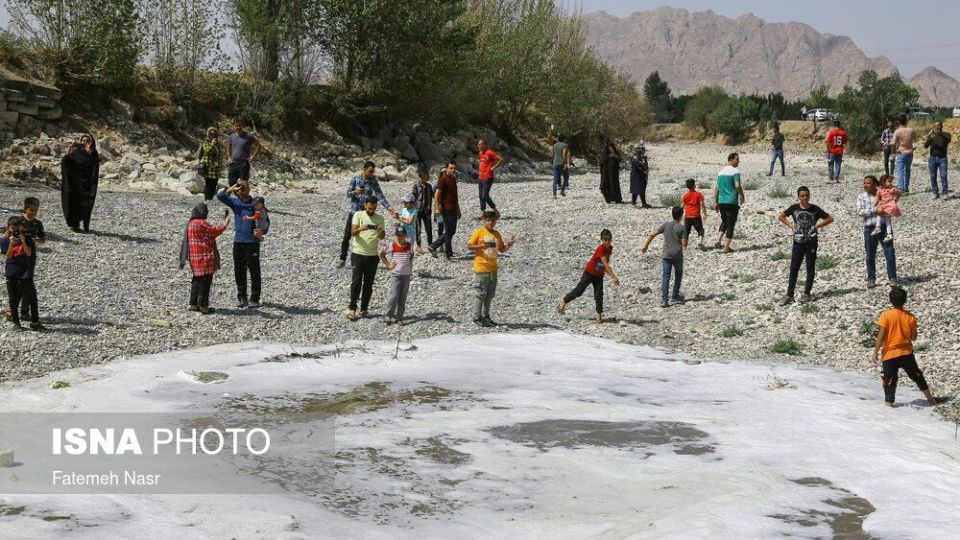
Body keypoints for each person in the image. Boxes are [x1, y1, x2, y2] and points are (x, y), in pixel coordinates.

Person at [872, 287, 937, 408]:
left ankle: (889, 404)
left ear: (890, 300)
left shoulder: (886, 315)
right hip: (906, 353)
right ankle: (930, 399)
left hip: (889, 355)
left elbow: (881, 336)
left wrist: (875, 352)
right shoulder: (911, 317)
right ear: (905, 300)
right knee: (917, 375)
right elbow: (913, 337)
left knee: (890, 381)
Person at [777, 186, 834, 305]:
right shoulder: (794, 208)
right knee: (794, 268)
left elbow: (829, 218)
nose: (805, 198)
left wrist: (817, 226)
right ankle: (789, 295)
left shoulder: (815, 209)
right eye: (802, 196)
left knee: (810, 266)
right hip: (798, 241)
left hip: (811, 242)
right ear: (798, 197)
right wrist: (791, 226)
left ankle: (807, 293)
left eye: (807, 195)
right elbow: (781, 216)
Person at [338, 161, 397, 268]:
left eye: (373, 172)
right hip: (354, 212)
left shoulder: (373, 180)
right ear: (364, 169)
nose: (371, 174)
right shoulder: (355, 179)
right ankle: (342, 258)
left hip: (367, 214)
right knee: (347, 235)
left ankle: (363, 258)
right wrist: (355, 192)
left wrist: (388, 207)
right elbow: (348, 194)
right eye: (370, 171)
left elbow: (379, 195)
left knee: (367, 235)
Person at [217, 181, 263, 309]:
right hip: (238, 242)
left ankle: (254, 298)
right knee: (239, 270)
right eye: (240, 188)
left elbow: (265, 220)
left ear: (249, 188)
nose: (241, 190)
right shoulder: (235, 203)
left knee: (254, 271)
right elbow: (220, 196)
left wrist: (262, 232)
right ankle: (242, 297)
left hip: (252, 243)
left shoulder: (255, 203)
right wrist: (231, 189)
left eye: (244, 187)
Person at [558, 229, 620, 324]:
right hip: (589, 272)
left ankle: (599, 315)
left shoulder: (610, 248)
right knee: (579, 291)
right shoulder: (600, 248)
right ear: (602, 240)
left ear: (611, 239)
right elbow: (605, 263)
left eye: (608, 239)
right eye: (604, 239)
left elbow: (605, 264)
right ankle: (564, 300)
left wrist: (607, 273)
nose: (606, 241)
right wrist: (613, 276)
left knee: (599, 295)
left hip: (599, 274)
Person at [467, 210, 516, 327]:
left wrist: (510, 244)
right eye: (488, 220)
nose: (491, 223)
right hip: (481, 268)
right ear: (484, 221)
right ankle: (477, 317)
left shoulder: (497, 234)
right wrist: (481, 246)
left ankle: (486, 316)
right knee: (480, 294)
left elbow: (502, 249)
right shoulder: (479, 232)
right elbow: (469, 246)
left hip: (493, 269)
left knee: (489, 294)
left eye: (493, 220)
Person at [179, 203, 230, 314]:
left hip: (194, 257)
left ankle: (193, 304)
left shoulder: (191, 223)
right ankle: (204, 306)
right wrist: (225, 223)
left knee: (196, 280)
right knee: (205, 282)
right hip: (205, 257)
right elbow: (215, 231)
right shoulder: (201, 223)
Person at [346, 196, 385, 321]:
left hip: (372, 256)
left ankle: (364, 309)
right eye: (369, 208)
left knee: (368, 284)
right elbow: (352, 232)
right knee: (356, 282)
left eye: (373, 209)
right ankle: (352, 308)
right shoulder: (358, 215)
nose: (371, 211)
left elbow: (382, 237)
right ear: (365, 205)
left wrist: (380, 233)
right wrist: (361, 228)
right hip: (358, 253)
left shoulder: (380, 218)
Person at [642, 206, 688, 308]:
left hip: (666, 254)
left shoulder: (666, 225)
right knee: (678, 274)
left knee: (665, 276)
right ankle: (675, 295)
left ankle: (664, 300)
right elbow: (684, 244)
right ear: (681, 215)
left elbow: (653, 234)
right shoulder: (682, 228)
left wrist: (646, 245)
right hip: (677, 255)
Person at [857, 175, 897, 288]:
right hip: (870, 228)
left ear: (875, 183)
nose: (865, 185)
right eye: (864, 183)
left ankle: (892, 278)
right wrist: (875, 210)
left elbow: (894, 201)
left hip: (884, 227)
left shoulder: (884, 193)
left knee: (889, 252)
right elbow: (859, 211)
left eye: (868, 183)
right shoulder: (861, 197)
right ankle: (871, 279)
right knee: (870, 254)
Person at [12, 197, 44, 325]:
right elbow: (10, 237)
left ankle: (24, 312)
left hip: (31, 257)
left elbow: (43, 239)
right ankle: (14, 311)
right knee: (20, 284)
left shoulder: (37, 223)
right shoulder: (17, 222)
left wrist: (35, 240)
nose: (34, 212)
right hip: (18, 256)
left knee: (27, 282)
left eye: (36, 210)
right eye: (31, 210)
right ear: (25, 208)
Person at [2, 217, 38, 330]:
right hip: (12, 272)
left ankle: (35, 322)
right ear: (9, 228)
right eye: (13, 228)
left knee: (32, 297)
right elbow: (8, 256)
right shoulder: (4, 241)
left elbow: (28, 253)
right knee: (13, 299)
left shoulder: (27, 239)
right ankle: (16, 324)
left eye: (17, 228)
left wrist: (23, 241)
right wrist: (11, 244)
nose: (16, 231)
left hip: (25, 273)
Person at [60, 133, 99, 233]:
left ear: (91, 142)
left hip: (88, 183)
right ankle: (75, 225)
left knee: (88, 205)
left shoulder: (94, 153)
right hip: (76, 183)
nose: (84, 143)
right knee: (75, 204)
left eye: (87, 141)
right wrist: (69, 151)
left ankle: (86, 226)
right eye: (83, 141)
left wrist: (89, 151)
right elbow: (67, 162)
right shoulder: (76, 152)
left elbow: (94, 168)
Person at [380, 226, 415, 325]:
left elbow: (411, 255)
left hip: (406, 275)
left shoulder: (409, 245)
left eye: (403, 235)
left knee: (403, 297)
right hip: (395, 274)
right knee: (394, 295)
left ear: (406, 235)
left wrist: (408, 262)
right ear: (396, 236)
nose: (401, 237)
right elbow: (382, 254)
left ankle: (399, 318)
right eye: (398, 235)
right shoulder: (392, 245)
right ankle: (389, 315)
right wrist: (388, 264)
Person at [429, 161, 461, 261]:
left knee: (451, 231)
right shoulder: (443, 179)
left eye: (454, 168)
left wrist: (458, 209)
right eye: (451, 168)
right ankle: (449, 254)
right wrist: (437, 208)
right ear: (446, 169)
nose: (453, 170)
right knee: (449, 232)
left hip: (454, 208)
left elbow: (454, 196)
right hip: (446, 209)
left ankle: (433, 246)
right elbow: (437, 194)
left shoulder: (453, 179)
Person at [713, 152, 745, 253]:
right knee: (730, 224)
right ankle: (726, 247)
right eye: (737, 159)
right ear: (731, 159)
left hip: (721, 201)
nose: (738, 161)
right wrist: (742, 195)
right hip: (731, 201)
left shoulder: (720, 172)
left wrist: (715, 201)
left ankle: (718, 240)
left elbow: (717, 188)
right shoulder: (735, 171)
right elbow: (737, 185)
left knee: (724, 221)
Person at [227, 119, 261, 187]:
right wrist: (229, 157)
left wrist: (254, 156)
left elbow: (259, 145)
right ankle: (238, 196)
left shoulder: (249, 136)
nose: (238, 127)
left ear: (243, 126)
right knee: (231, 183)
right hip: (233, 163)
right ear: (235, 126)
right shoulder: (231, 136)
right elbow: (229, 148)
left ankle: (243, 197)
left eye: (240, 126)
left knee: (243, 184)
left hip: (244, 164)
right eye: (237, 126)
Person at [924, 120, 951, 199]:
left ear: (941, 126)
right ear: (933, 127)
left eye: (938, 126)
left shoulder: (946, 135)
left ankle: (945, 193)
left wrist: (940, 134)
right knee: (933, 176)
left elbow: (948, 139)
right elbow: (925, 146)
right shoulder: (931, 136)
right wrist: (930, 138)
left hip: (942, 159)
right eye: (935, 126)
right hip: (932, 159)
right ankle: (935, 192)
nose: (937, 127)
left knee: (943, 175)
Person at [196, 127, 224, 201]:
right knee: (208, 184)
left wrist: (221, 167)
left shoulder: (218, 143)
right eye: (211, 134)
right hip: (208, 167)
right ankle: (206, 199)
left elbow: (220, 155)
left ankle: (210, 199)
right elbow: (207, 151)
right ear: (208, 134)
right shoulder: (206, 142)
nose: (213, 136)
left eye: (214, 134)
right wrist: (212, 144)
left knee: (214, 184)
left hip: (216, 167)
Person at [477, 139, 503, 216]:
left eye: (481, 144)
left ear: (485, 145)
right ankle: (483, 212)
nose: (479, 146)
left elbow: (501, 159)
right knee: (481, 195)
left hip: (488, 177)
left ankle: (496, 211)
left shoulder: (489, 152)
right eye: (478, 144)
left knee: (484, 195)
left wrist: (493, 167)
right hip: (480, 177)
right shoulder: (480, 153)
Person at [871, 175, 901, 242]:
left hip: (890, 206)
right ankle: (889, 234)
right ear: (883, 183)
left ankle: (878, 228)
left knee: (882, 216)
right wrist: (873, 205)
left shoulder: (892, 189)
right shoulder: (880, 190)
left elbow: (899, 194)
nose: (891, 183)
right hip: (885, 206)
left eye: (891, 182)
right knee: (886, 219)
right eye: (889, 182)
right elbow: (877, 198)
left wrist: (895, 200)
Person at [412, 166, 435, 252]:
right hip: (418, 210)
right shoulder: (416, 186)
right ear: (422, 176)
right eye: (427, 175)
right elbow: (413, 198)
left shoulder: (429, 186)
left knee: (429, 229)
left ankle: (430, 245)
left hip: (427, 211)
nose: (428, 176)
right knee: (418, 228)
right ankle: (419, 245)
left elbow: (433, 195)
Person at [891, 115, 916, 192]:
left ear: (899, 122)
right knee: (907, 170)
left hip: (901, 152)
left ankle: (901, 188)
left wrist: (893, 153)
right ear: (906, 121)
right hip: (910, 152)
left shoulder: (897, 131)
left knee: (900, 170)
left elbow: (892, 143)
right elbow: (913, 139)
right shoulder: (911, 130)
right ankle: (906, 186)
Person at [681, 178, 707, 249]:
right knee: (700, 230)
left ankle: (684, 246)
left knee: (686, 231)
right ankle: (700, 242)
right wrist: (705, 213)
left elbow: (682, 206)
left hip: (687, 216)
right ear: (693, 186)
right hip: (696, 216)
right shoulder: (698, 194)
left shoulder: (685, 195)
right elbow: (702, 204)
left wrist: (679, 216)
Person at [551, 134, 572, 198]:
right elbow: (564, 153)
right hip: (562, 164)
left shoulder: (554, 145)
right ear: (564, 139)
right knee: (566, 178)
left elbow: (553, 155)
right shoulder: (565, 145)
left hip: (555, 163)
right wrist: (566, 163)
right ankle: (562, 190)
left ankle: (554, 195)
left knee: (555, 179)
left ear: (557, 139)